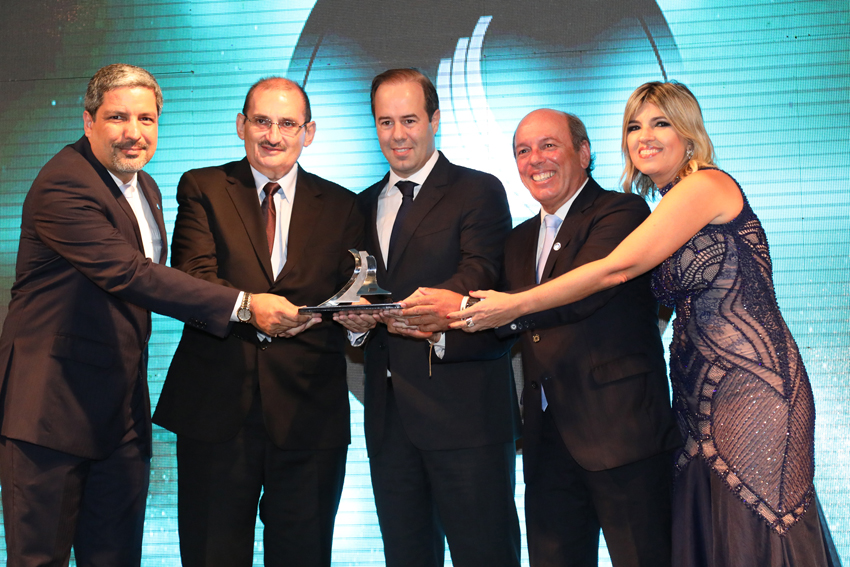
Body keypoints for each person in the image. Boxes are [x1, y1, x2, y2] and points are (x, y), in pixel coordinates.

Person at [448, 82, 841, 567]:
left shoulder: (705, 186)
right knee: (716, 536)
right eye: (634, 126)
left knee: (754, 534)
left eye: (661, 123)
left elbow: (615, 269)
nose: (644, 136)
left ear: (689, 134)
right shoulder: (665, 205)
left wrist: (514, 305)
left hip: (750, 383)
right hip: (697, 392)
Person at [0, 63, 296, 567]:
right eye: (117, 117)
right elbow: (132, 274)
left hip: (120, 416)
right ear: (88, 121)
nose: (133, 133)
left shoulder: (147, 187)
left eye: (146, 119)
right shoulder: (63, 184)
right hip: (51, 412)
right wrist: (244, 305)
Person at [151, 77, 363, 567]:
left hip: (310, 415)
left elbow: (351, 295)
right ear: (240, 125)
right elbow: (191, 279)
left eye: (287, 124)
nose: (273, 135)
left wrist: (358, 319)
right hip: (216, 410)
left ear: (309, 132)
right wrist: (249, 306)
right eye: (262, 121)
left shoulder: (343, 204)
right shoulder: (202, 187)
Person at [336, 68, 521, 567]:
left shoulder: (478, 189)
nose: (398, 135)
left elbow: (480, 276)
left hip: (466, 414)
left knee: (485, 555)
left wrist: (421, 314)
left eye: (410, 120)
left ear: (435, 120)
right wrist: (354, 325)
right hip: (388, 418)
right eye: (385, 122)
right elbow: (356, 291)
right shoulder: (358, 206)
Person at [489, 108, 679, 567]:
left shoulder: (623, 211)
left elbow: (580, 295)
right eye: (523, 151)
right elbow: (499, 323)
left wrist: (504, 308)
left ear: (584, 152)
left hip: (623, 436)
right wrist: (436, 319)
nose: (535, 159)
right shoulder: (516, 241)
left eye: (548, 145)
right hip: (546, 441)